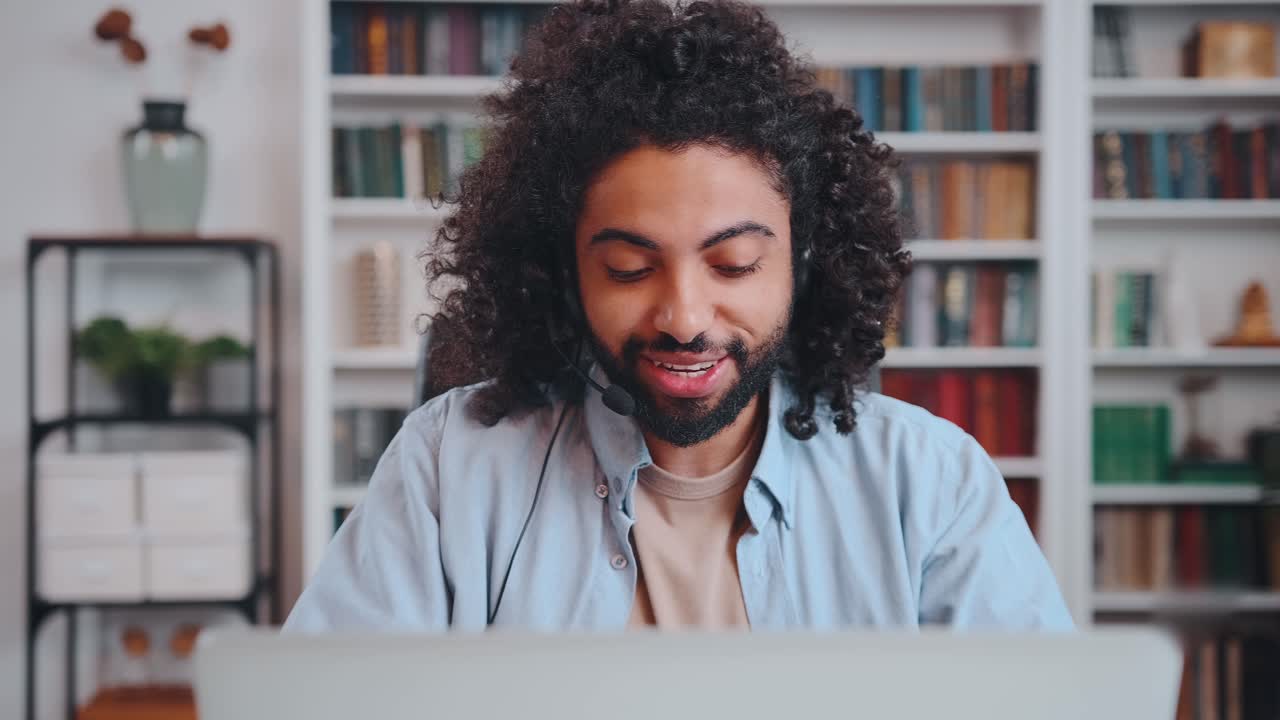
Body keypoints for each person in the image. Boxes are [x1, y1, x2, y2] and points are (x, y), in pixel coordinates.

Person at [285, 0, 1072, 632]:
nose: (684, 317)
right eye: (629, 268)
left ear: (801, 262)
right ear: (564, 273)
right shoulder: (447, 469)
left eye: (734, 264)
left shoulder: (930, 483)